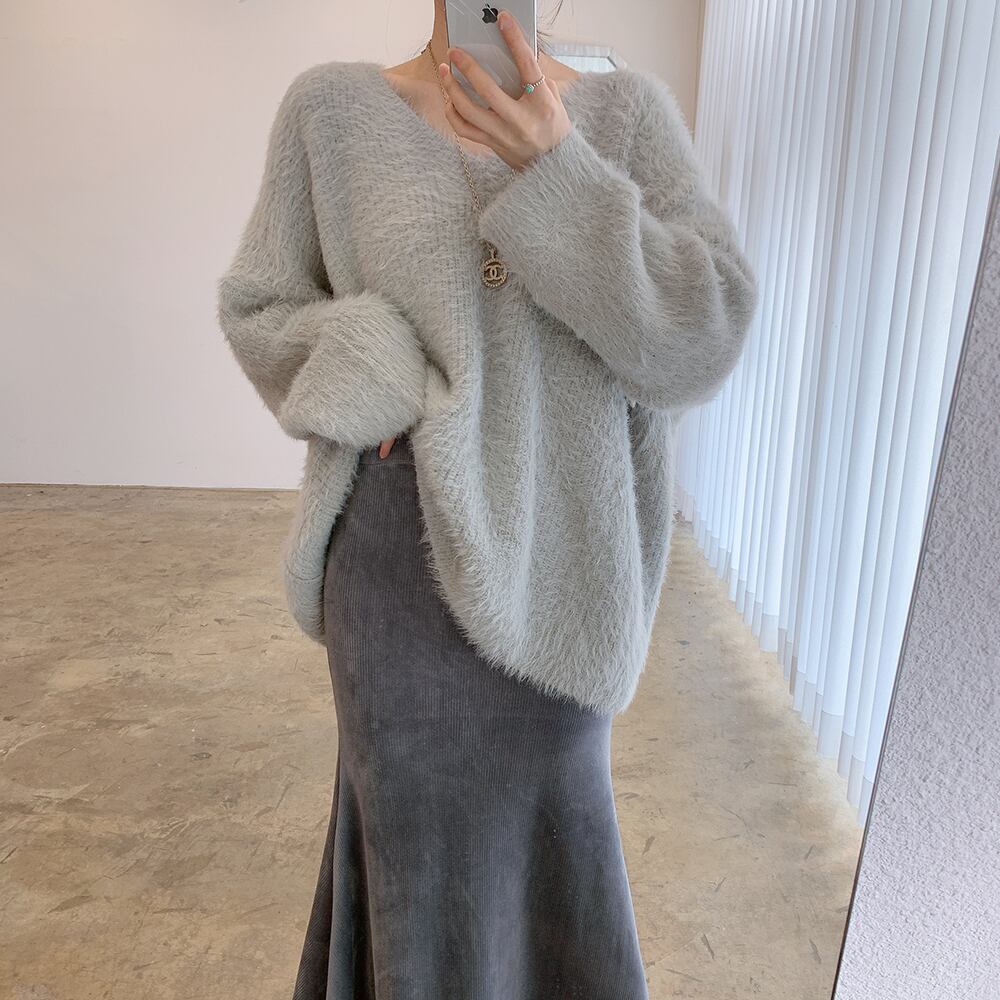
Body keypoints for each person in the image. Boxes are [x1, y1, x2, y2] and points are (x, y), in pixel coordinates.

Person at [216, 2, 757, 996]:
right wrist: (371, 368)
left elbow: (702, 336)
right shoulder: (330, 115)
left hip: (569, 563)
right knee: (411, 856)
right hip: (396, 566)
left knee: (560, 831)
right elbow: (260, 307)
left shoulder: (627, 117)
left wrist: (560, 173)